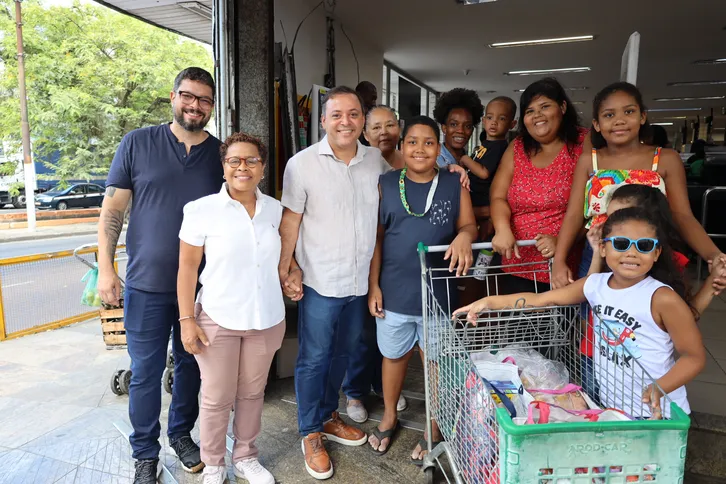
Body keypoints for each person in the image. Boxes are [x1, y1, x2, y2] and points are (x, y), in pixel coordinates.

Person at [456, 207, 707, 419]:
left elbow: (693, 357)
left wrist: (659, 388)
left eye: (643, 246)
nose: (631, 252)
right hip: (613, 407)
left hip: (657, 413)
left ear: (656, 253)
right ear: (604, 248)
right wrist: (488, 301)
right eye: (621, 244)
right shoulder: (595, 285)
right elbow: (541, 299)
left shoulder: (661, 298)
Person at [97, 67, 223, 483]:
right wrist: (106, 269)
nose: (195, 105)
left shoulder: (221, 156)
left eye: (204, 99)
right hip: (146, 283)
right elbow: (113, 211)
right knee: (146, 371)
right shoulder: (138, 142)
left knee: (190, 367)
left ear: (211, 106)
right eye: (188, 96)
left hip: (203, 288)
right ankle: (145, 453)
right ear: (173, 97)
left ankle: (181, 436)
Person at [279, 86, 386, 480]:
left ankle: (327, 416)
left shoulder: (376, 160)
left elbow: (405, 186)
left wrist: (454, 171)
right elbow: (290, 221)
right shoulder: (302, 164)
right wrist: (286, 267)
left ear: (363, 119)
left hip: (359, 281)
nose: (346, 121)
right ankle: (309, 431)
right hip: (321, 280)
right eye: (337, 115)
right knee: (313, 358)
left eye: (353, 114)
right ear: (322, 121)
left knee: (344, 353)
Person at [177, 133, 292, 484]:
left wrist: (294, 275)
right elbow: (186, 269)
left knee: (252, 393)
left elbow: (284, 260)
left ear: (263, 167)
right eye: (234, 161)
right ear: (224, 167)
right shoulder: (200, 210)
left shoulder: (275, 210)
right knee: (215, 396)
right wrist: (186, 320)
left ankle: (245, 456)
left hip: (266, 317)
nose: (243, 167)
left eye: (251, 160)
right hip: (217, 317)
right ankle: (213, 465)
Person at [367, 116, 477, 460]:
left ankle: (435, 423)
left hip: (439, 296)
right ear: (402, 146)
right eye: (412, 141)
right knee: (393, 356)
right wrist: (374, 286)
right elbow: (377, 240)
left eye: (429, 142)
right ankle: (389, 415)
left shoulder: (453, 183)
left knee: (436, 361)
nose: (419, 149)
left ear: (439, 148)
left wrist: (464, 236)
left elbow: (470, 225)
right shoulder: (385, 183)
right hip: (394, 291)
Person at [552, 82, 725, 292]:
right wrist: (559, 261)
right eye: (609, 115)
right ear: (596, 125)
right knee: (594, 318)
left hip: (650, 254)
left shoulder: (665, 159)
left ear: (642, 117)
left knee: (651, 317)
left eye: (629, 111)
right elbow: (573, 215)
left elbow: (682, 215)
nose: (619, 120)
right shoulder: (589, 161)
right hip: (598, 257)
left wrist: (714, 255)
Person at [490, 77, 588, 292]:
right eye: (530, 111)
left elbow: (595, 206)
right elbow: (498, 196)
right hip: (516, 262)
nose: (537, 116)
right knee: (516, 324)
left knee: (558, 325)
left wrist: (562, 242)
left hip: (562, 267)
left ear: (562, 107)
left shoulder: (584, 143)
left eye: (545, 107)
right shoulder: (517, 147)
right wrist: (502, 228)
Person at [459, 96, 517, 241]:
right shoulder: (485, 144)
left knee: (483, 238)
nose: (494, 122)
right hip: (475, 196)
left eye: (502, 119)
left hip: (484, 200)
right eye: (490, 117)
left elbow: (484, 172)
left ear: (512, 124)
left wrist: (465, 159)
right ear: (484, 121)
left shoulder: (499, 147)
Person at [432, 88, 485, 169]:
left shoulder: (471, 163)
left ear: (472, 130)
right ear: (444, 128)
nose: (460, 130)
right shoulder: (434, 162)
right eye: (453, 124)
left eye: (467, 126)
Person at [356, 81, 378, 146]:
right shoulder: (351, 116)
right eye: (372, 98)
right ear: (360, 95)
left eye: (375, 99)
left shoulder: (372, 116)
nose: (374, 103)